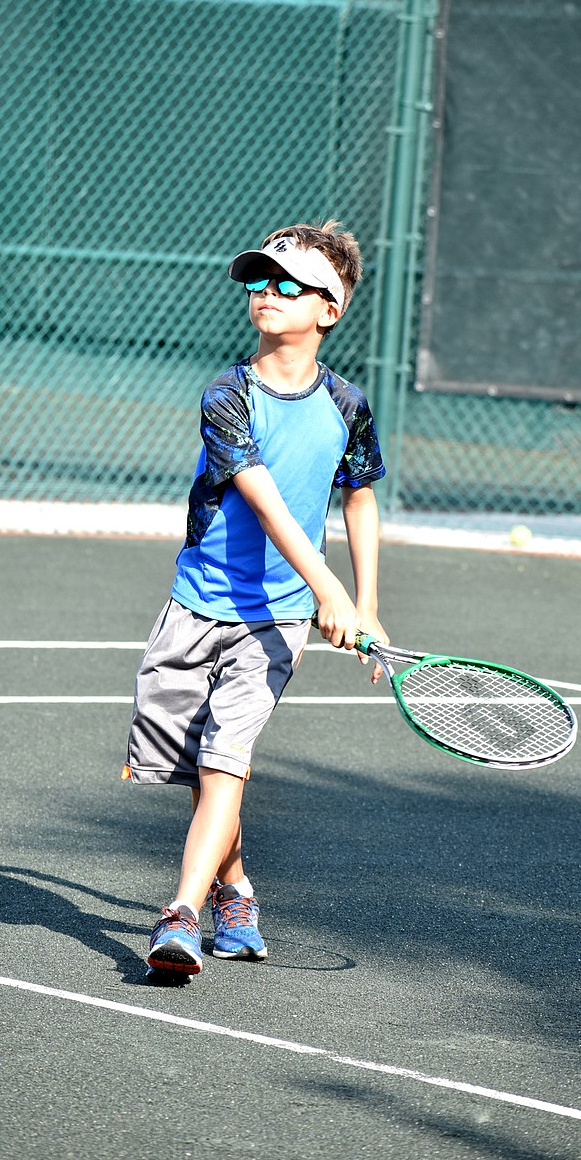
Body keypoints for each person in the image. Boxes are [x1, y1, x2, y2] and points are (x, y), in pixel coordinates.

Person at [123, 219, 388, 981]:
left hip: (276, 620)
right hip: (195, 604)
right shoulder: (227, 394)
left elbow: (359, 496)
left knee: (226, 762)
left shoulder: (347, 405)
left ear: (329, 309)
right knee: (195, 770)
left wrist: (366, 603)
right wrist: (331, 586)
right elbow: (262, 498)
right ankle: (234, 889)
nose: (267, 292)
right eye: (259, 279)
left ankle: (180, 914)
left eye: (289, 284)